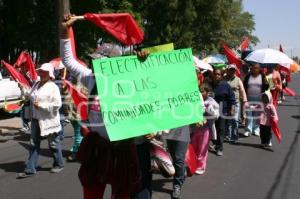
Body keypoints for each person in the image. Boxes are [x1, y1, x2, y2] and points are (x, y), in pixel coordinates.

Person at [60, 15, 143, 199]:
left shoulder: (130, 81)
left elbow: (153, 88)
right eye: (95, 61)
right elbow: (68, 61)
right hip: (97, 150)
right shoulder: (91, 78)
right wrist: (65, 31)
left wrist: (145, 62)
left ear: (113, 64)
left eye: (100, 61)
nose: (95, 64)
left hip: (122, 150)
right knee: (91, 193)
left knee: (122, 194)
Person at [17, 63, 64, 178]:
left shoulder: (53, 87)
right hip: (36, 119)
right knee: (33, 144)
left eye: (44, 71)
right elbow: (30, 96)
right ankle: (30, 169)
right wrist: (23, 88)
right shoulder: (36, 84)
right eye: (41, 71)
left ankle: (59, 163)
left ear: (50, 74)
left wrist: (42, 105)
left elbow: (58, 104)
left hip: (49, 120)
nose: (41, 73)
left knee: (53, 143)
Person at [191, 84, 219, 174]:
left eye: (202, 91)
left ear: (207, 92)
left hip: (205, 129)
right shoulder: (195, 100)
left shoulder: (211, 102)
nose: (201, 93)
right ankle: (193, 164)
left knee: (202, 149)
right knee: (194, 147)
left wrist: (209, 109)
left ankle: (201, 167)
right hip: (195, 128)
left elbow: (216, 115)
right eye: (199, 91)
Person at [212, 69, 236, 156]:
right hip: (210, 112)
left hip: (223, 111)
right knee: (212, 129)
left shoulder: (226, 85)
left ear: (221, 76)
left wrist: (232, 109)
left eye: (218, 74)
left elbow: (232, 98)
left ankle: (219, 148)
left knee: (221, 129)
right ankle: (214, 143)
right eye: (215, 74)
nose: (216, 76)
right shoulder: (210, 85)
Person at [162, 126, 191, 199]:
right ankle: (182, 172)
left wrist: (199, 118)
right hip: (169, 130)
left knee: (179, 159)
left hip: (182, 130)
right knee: (174, 158)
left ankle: (177, 185)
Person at [243, 63, 269, 137]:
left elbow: (267, 86)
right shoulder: (248, 76)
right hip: (249, 97)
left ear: (259, 69)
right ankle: (248, 130)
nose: (254, 69)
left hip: (259, 97)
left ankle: (256, 129)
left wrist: (264, 81)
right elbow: (244, 85)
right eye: (253, 68)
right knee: (249, 114)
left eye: (256, 68)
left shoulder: (262, 76)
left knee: (257, 114)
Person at [224, 64, 247, 143]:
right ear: (227, 70)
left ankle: (234, 135)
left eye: (233, 70)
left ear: (235, 71)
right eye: (230, 69)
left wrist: (244, 99)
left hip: (235, 102)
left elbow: (242, 90)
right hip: (226, 102)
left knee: (235, 119)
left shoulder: (238, 80)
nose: (232, 71)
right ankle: (227, 135)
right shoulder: (224, 79)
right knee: (228, 119)